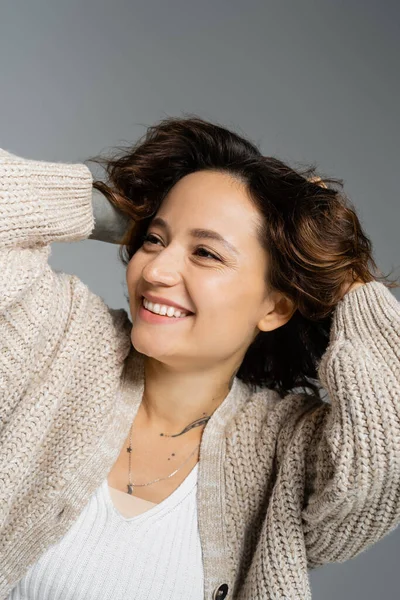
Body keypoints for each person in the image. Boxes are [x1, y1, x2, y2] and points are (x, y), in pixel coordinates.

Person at [0, 115, 399, 600]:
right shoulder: (62, 342)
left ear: (275, 306)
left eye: (206, 253)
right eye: (153, 238)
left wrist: (343, 273)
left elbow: (385, 452)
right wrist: (112, 207)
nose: (158, 270)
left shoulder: (284, 452)